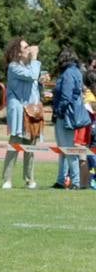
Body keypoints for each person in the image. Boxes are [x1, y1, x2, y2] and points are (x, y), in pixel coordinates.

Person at [2, 37, 43, 190]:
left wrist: (41, 80)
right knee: (15, 142)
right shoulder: (14, 66)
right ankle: (7, 179)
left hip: (32, 109)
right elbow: (32, 75)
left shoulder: (30, 66)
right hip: (19, 109)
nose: (29, 49)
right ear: (18, 53)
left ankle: (29, 179)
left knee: (30, 145)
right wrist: (35, 58)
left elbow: (34, 79)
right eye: (25, 48)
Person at [51, 47, 89, 189]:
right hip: (72, 114)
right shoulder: (77, 72)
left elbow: (66, 97)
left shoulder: (67, 74)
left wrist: (58, 111)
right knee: (64, 149)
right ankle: (61, 180)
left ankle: (75, 181)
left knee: (67, 149)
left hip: (65, 115)